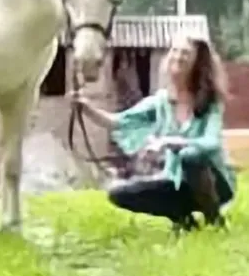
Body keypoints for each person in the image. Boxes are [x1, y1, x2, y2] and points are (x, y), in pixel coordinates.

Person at [72, 34, 236, 231]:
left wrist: (169, 141)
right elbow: (119, 122)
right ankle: (184, 220)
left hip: (216, 183)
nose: (178, 56)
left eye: (185, 53)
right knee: (118, 193)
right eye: (175, 51)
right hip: (176, 182)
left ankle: (214, 218)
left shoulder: (210, 102)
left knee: (190, 157)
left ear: (198, 62)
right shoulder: (160, 102)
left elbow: (211, 143)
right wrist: (86, 108)